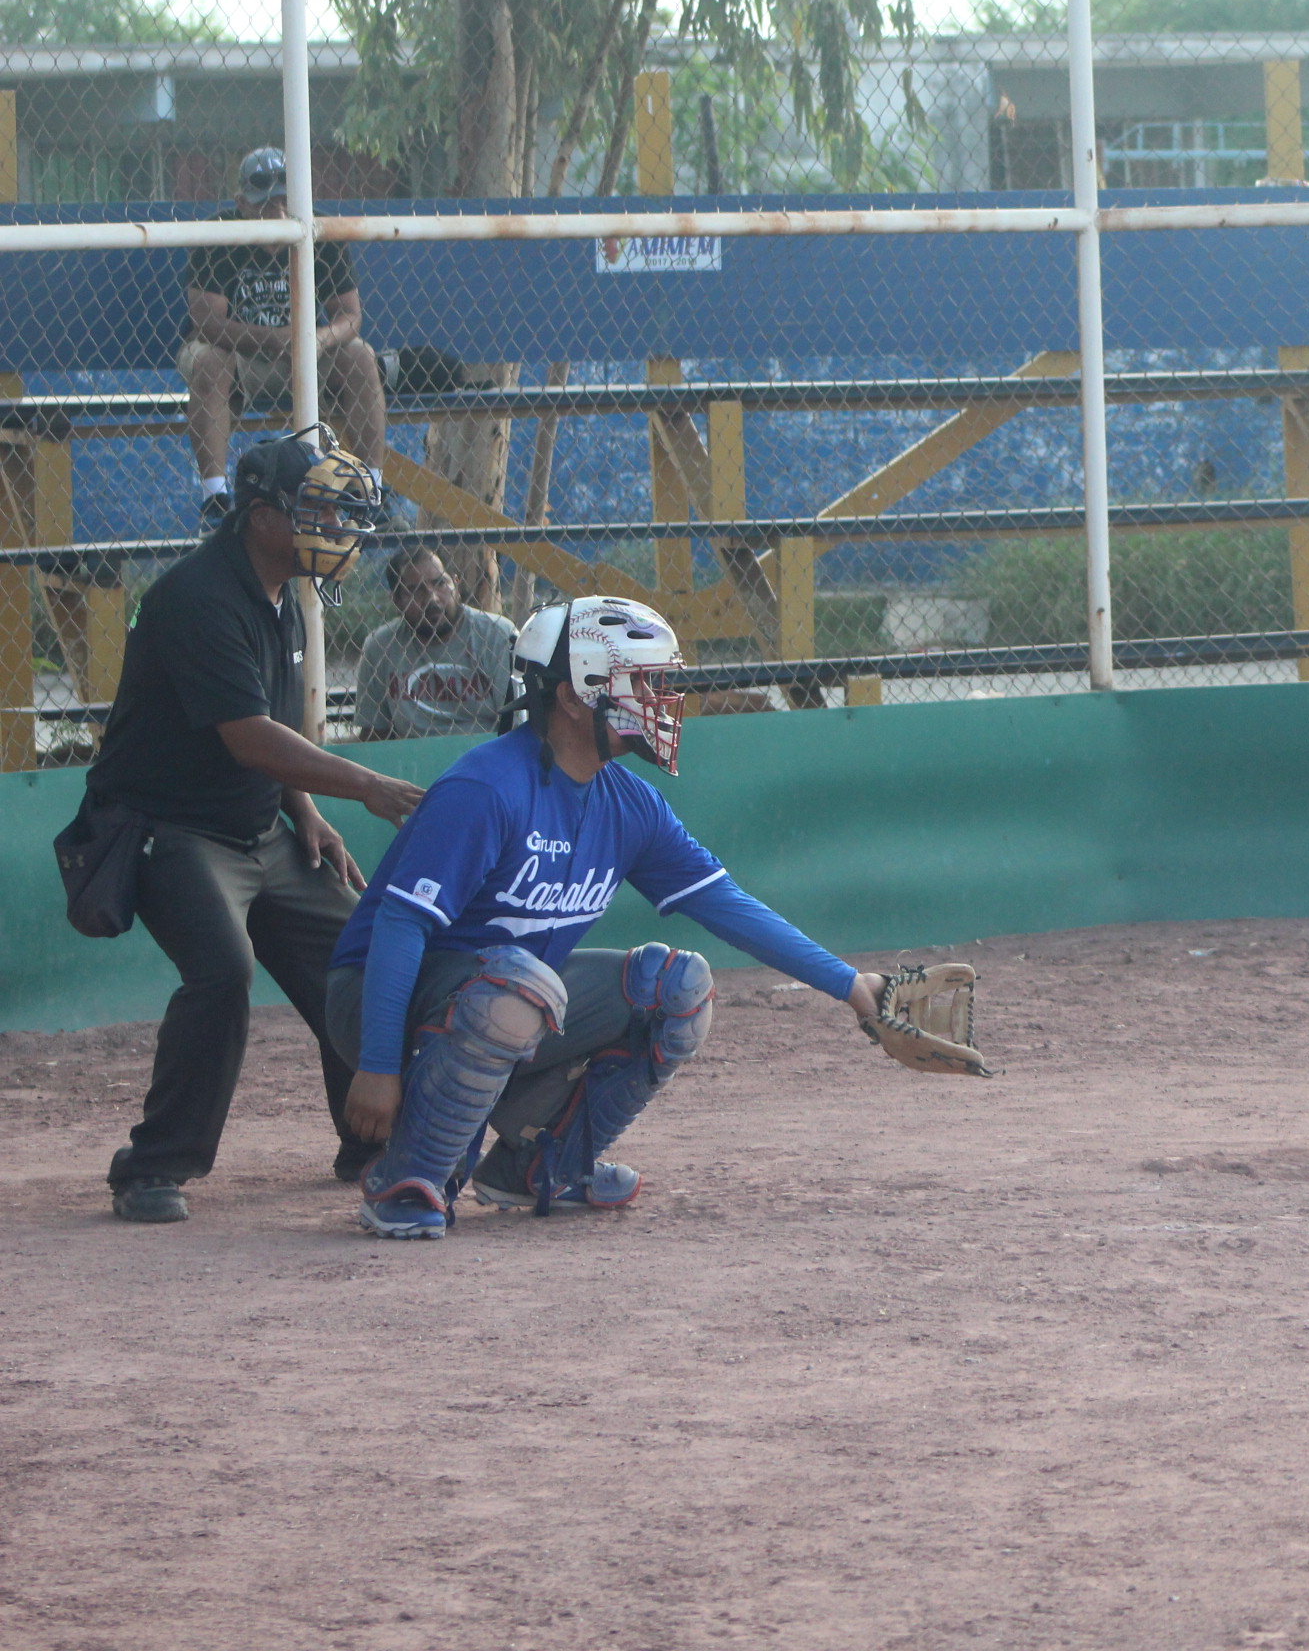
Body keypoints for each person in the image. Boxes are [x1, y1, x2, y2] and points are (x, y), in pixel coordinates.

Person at [325, 596, 895, 1241]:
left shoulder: (630, 804)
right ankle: (409, 1178)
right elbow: (400, 928)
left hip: (501, 1000)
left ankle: (543, 1166)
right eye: (642, 682)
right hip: (382, 1002)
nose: (660, 698)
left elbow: (728, 906)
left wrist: (853, 988)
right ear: (573, 696)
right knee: (520, 987)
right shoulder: (487, 788)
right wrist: (375, 1067)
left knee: (676, 986)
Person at [87, 434, 426, 1224]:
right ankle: (152, 1165)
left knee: (361, 953)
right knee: (222, 973)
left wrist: (304, 810)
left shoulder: (283, 592)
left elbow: (272, 718)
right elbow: (250, 737)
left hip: (258, 826)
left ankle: (368, 1136)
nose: (339, 528)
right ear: (263, 518)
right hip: (168, 830)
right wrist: (364, 787)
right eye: (320, 512)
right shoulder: (197, 597)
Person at [181, 148, 387, 523]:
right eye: (265, 204)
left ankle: (371, 490)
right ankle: (215, 499)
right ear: (241, 203)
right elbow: (206, 324)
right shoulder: (218, 233)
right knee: (208, 359)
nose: (277, 214)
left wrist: (319, 340)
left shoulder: (319, 228)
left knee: (361, 355)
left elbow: (350, 316)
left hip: (306, 354)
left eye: (283, 202)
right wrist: (272, 339)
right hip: (239, 359)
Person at [354, 546, 519, 739]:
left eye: (440, 584)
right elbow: (374, 733)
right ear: (397, 600)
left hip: (487, 753)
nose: (431, 598)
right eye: (414, 590)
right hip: (415, 760)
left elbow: (517, 723)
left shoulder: (497, 634)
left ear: (456, 585)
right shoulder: (380, 646)